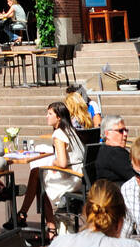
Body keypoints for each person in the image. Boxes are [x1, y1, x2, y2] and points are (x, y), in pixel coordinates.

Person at [7, 101, 83, 236]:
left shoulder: (59, 134)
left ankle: (28, 217)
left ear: (58, 117)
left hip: (70, 178)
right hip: (80, 176)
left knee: (37, 175)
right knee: (37, 174)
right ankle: (45, 224)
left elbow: (62, 163)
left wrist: (53, 162)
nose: (46, 116)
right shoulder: (71, 130)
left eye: (49, 114)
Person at [94, 115, 134, 186]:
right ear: (107, 134)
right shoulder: (114, 153)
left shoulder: (105, 150)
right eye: (121, 131)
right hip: (117, 194)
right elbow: (136, 177)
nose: (125, 134)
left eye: (126, 130)